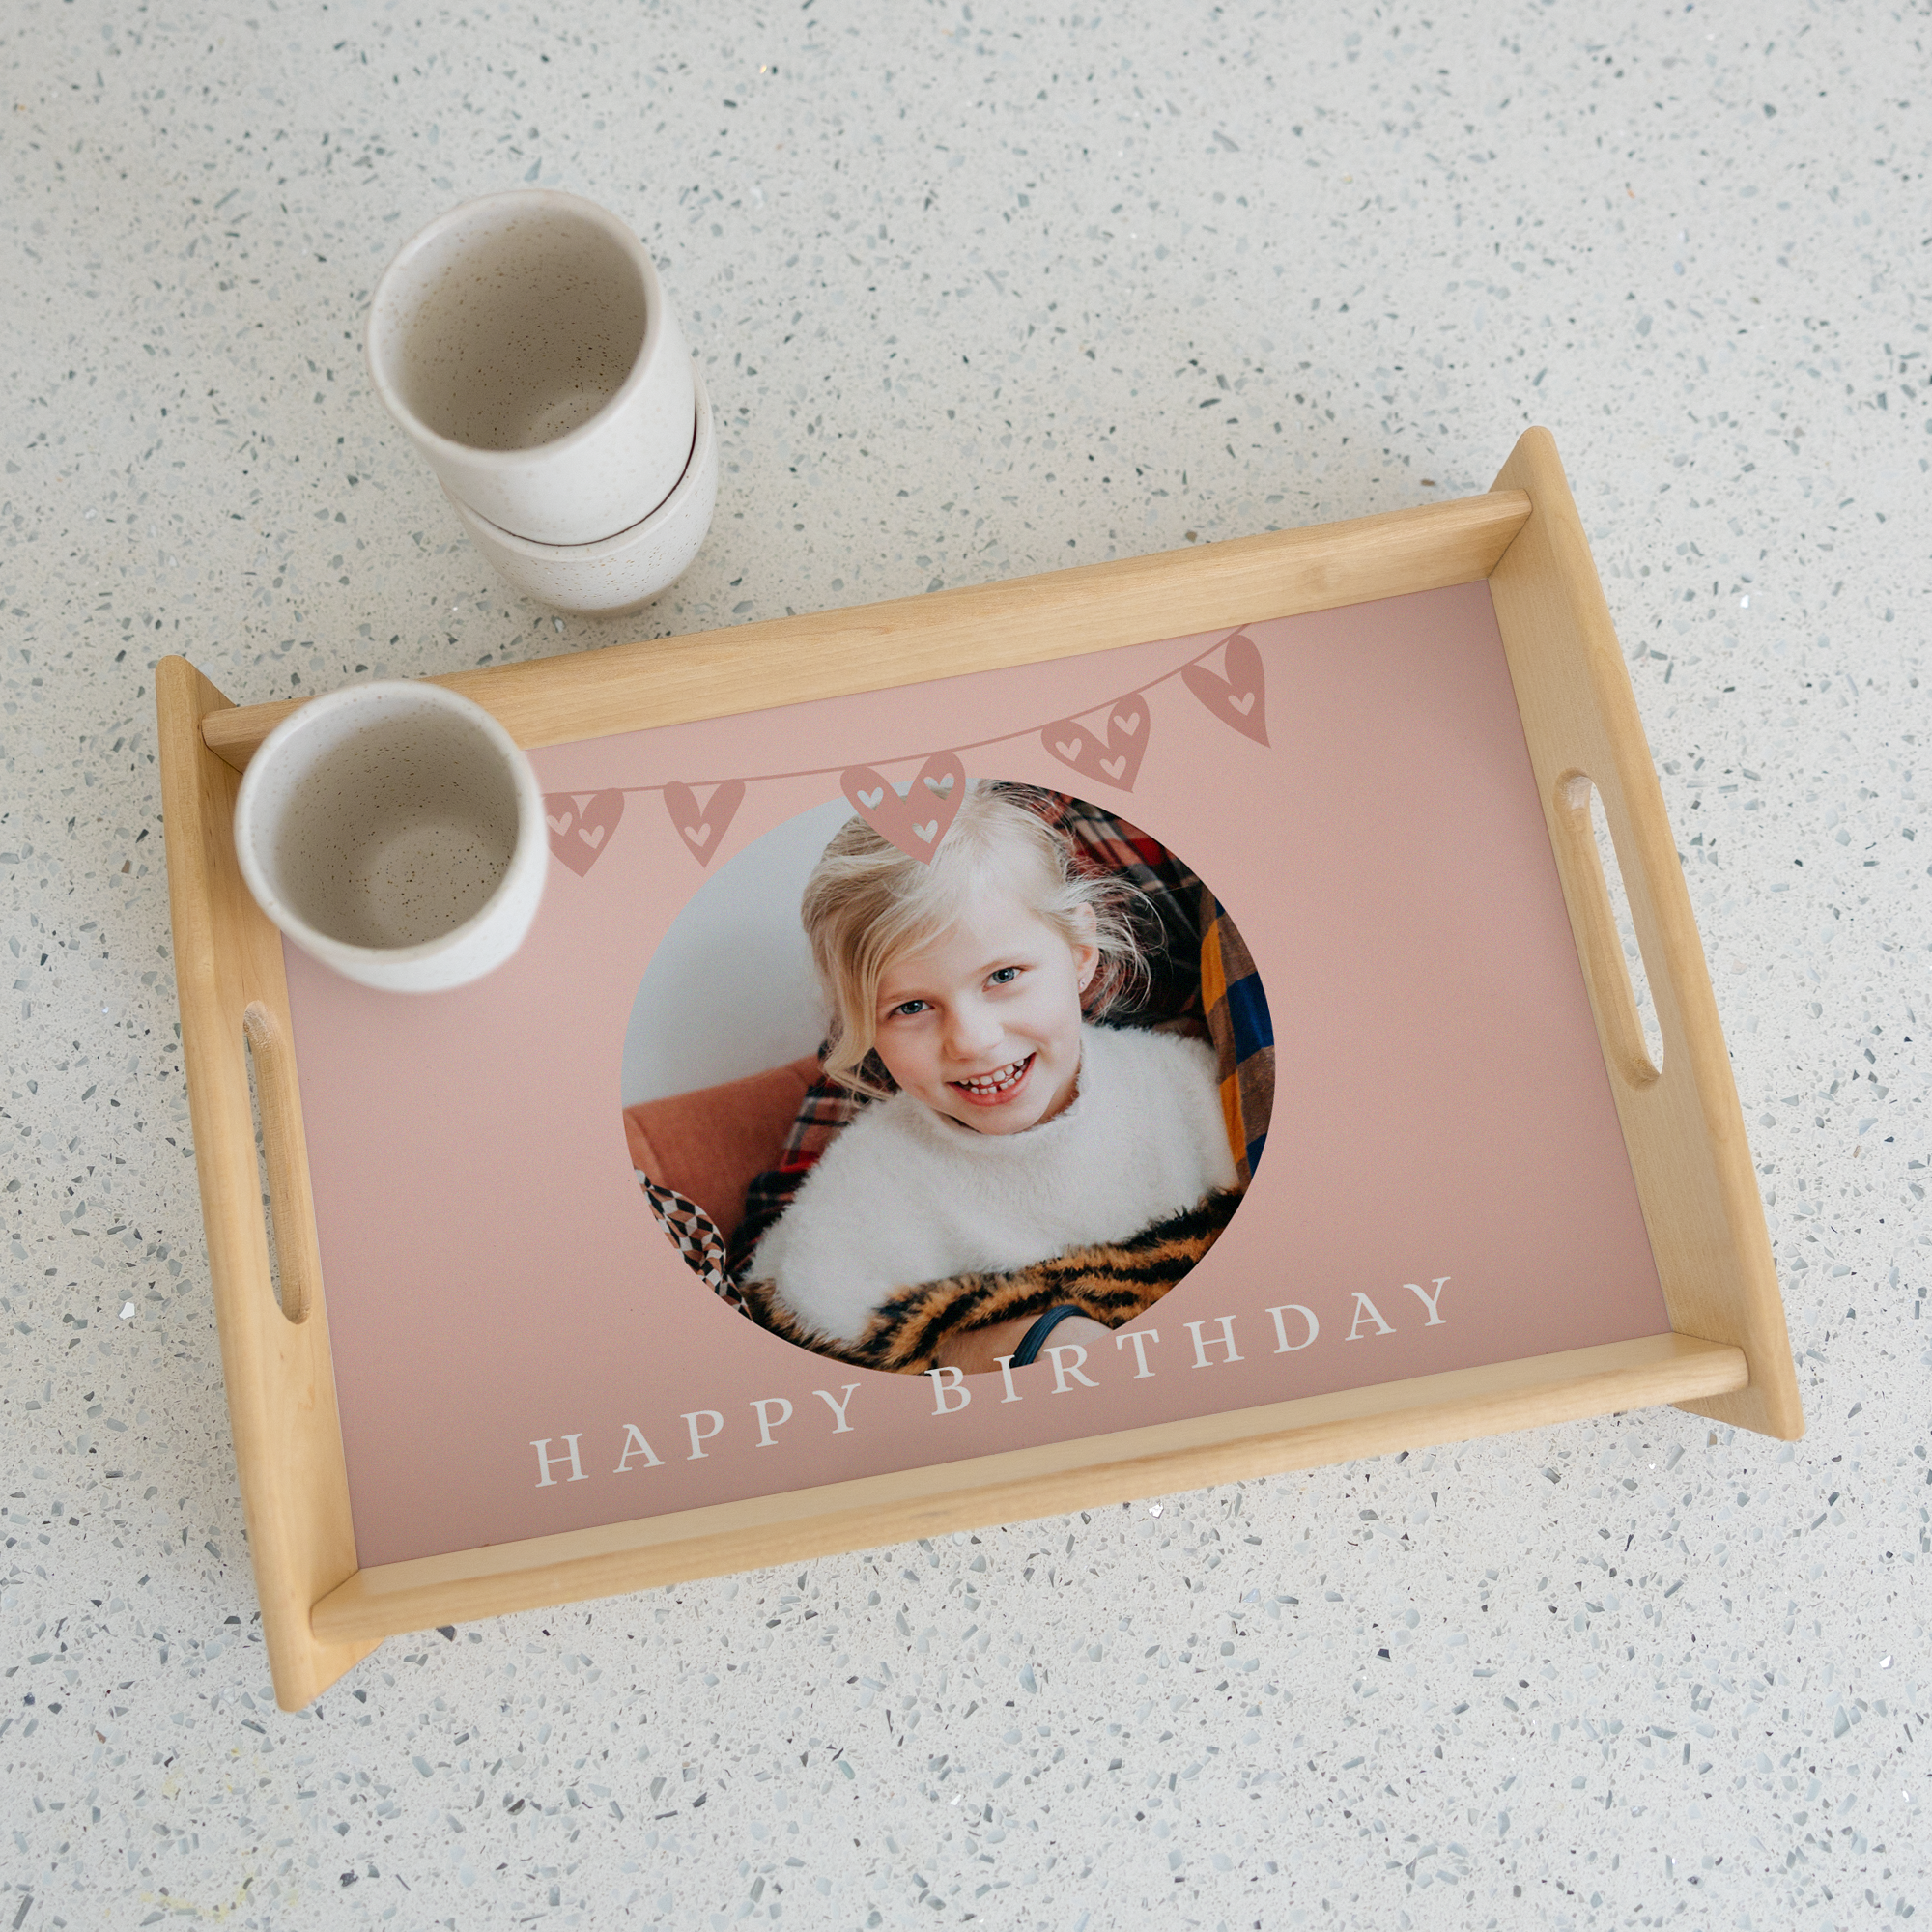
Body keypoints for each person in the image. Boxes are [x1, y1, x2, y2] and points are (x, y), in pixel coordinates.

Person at [745, 782, 1236, 1372]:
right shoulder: (868, 1181)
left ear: (1081, 952)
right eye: (911, 1007)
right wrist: (1000, 1344)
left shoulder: (1189, 1090)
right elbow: (807, 1336)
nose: (972, 1041)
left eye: (1003, 976)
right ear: (861, 1026)